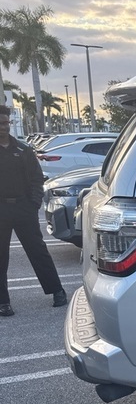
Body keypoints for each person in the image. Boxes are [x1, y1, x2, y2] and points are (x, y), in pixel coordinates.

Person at [0, 105, 67, 317]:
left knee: (38, 252)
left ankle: (57, 290)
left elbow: (37, 179)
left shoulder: (23, 150)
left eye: (6, 123)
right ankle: (3, 302)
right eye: (0, 123)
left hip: (23, 208)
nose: (3, 127)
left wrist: (33, 204)